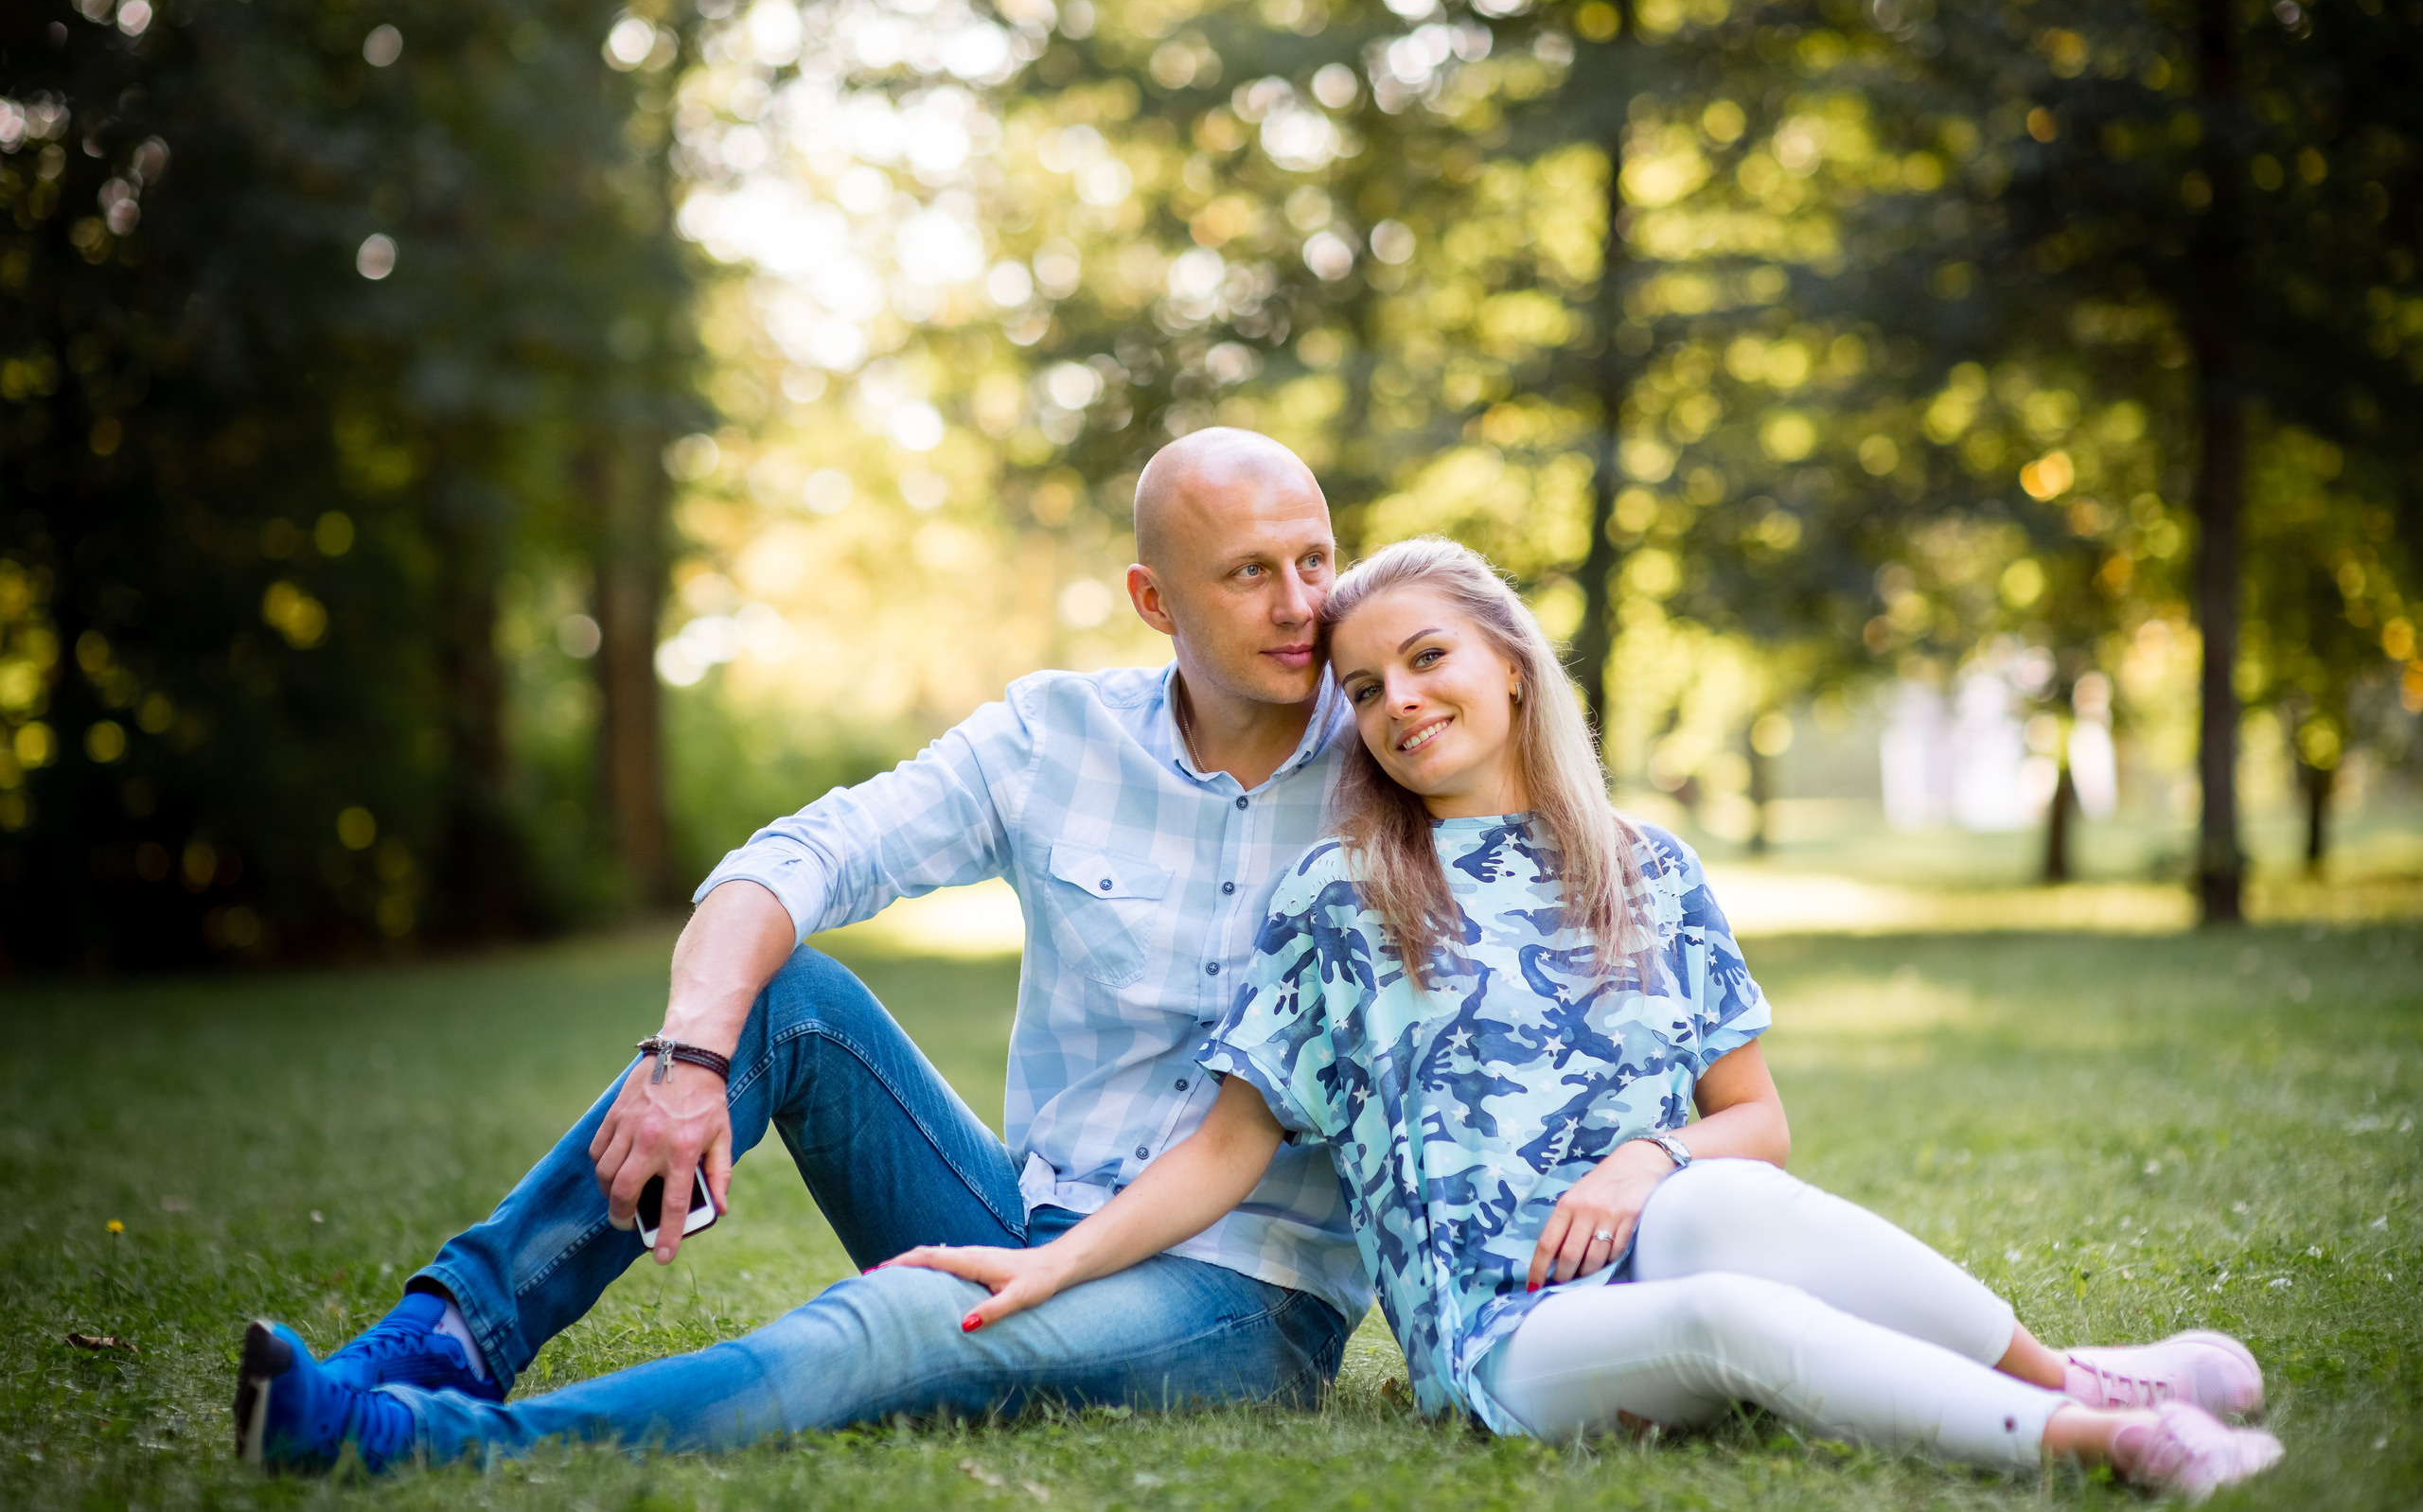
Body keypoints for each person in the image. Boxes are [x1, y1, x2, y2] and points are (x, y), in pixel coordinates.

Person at [890, 536, 2287, 1502]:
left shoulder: (1648, 867)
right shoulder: (1346, 894)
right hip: (1504, 1341)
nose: (1397, 704)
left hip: (1650, 1247)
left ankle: (2070, 1365)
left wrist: (1649, 1158)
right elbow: (1224, 1148)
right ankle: (2098, 1433)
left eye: (1426, 658)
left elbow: (1758, 1124)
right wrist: (1058, 1264)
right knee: (1734, 1306)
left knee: (1721, 1218)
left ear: (1509, 661)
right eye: (1363, 689)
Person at [234, 429, 1379, 1472]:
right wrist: (687, 1053)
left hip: (1241, 1289)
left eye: (1316, 561)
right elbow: (802, 854)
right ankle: (444, 1340)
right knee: (784, 996)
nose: (1301, 605)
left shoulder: (1391, 765)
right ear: (1154, 598)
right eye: (1248, 573)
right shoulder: (1058, 735)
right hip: (1024, 1216)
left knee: (898, 1317)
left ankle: (430, 1445)